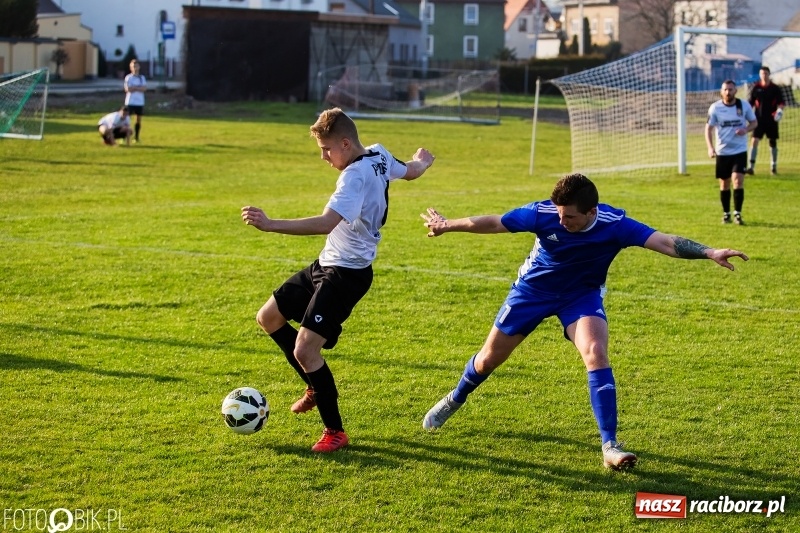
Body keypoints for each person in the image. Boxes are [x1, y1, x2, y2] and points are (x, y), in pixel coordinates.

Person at [420, 173, 748, 469]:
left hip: (581, 296)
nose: (563, 222)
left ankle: (610, 446)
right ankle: (456, 397)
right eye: (560, 214)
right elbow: (494, 222)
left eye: (571, 217)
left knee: (596, 352)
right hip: (532, 291)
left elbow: (663, 241)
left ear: (592, 212)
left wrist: (708, 251)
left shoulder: (615, 224)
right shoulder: (543, 214)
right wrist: (447, 225)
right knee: (489, 359)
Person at [241, 107, 435, 453]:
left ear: (345, 144)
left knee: (305, 348)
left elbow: (325, 222)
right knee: (268, 317)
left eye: (326, 149)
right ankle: (315, 386)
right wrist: (423, 161)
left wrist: (271, 224)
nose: (323, 157)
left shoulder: (353, 177)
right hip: (328, 262)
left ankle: (335, 431)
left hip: (348, 274)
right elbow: (411, 171)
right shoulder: (378, 152)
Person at [705, 79, 757, 225]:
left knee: (738, 180)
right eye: (725, 89)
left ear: (735, 91)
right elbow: (708, 129)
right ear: (721, 92)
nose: (728, 92)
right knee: (724, 183)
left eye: (731, 89)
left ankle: (738, 214)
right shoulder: (715, 108)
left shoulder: (743, 106)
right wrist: (710, 147)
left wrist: (745, 130)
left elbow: (754, 122)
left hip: (739, 151)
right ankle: (726, 213)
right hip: (722, 152)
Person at [746, 66, 786, 176]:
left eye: (765, 73)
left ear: (769, 74)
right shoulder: (756, 87)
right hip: (758, 120)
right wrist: (746, 114)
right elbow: (750, 103)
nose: (764, 75)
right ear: (759, 75)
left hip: (771, 120)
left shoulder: (775, 88)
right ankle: (751, 167)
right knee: (754, 141)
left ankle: (773, 167)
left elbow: (781, 103)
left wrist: (779, 111)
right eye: (762, 73)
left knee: (772, 142)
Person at [123, 59, 147, 143]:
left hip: (139, 102)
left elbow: (144, 88)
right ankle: (124, 137)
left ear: (139, 67)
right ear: (130, 68)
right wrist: (138, 88)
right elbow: (128, 89)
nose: (135, 68)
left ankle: (136, 137)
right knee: (126, 120)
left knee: (138, 120)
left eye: (136, 66)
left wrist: (135, 88)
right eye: (133, 66)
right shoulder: (128, 77)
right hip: (130, 102)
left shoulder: (142, 78)